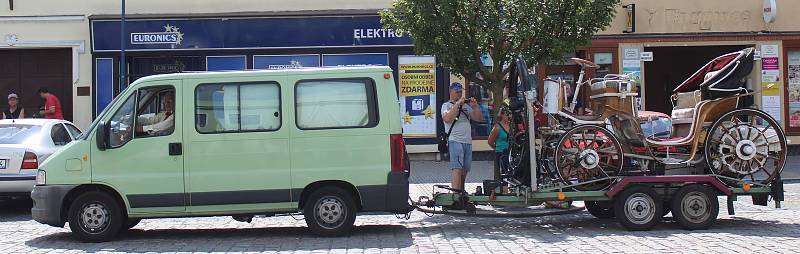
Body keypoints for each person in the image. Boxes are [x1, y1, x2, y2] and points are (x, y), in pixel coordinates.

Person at [441, 82, 483, 192]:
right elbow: (447, 119)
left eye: (460, 92)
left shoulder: (465, 106)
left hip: (467, 141)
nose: (459, 94)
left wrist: (475, 106)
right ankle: (455, 194)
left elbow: (478, 118)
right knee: (457, 168)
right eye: (457, 92)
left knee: (465, 170)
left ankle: (461, 192)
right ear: (451, 92)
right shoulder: (446, 105)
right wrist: (457, 104)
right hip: (455, 140)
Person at [487, 106, 510, 181]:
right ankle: (504, 188)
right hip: (501, 152)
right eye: (507, 115)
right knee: (504, 172)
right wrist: (497, 148)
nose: (509, 117)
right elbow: (490, 141)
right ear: (502, 115)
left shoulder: (511, 126)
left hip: (510, 152)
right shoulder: (497, 127)